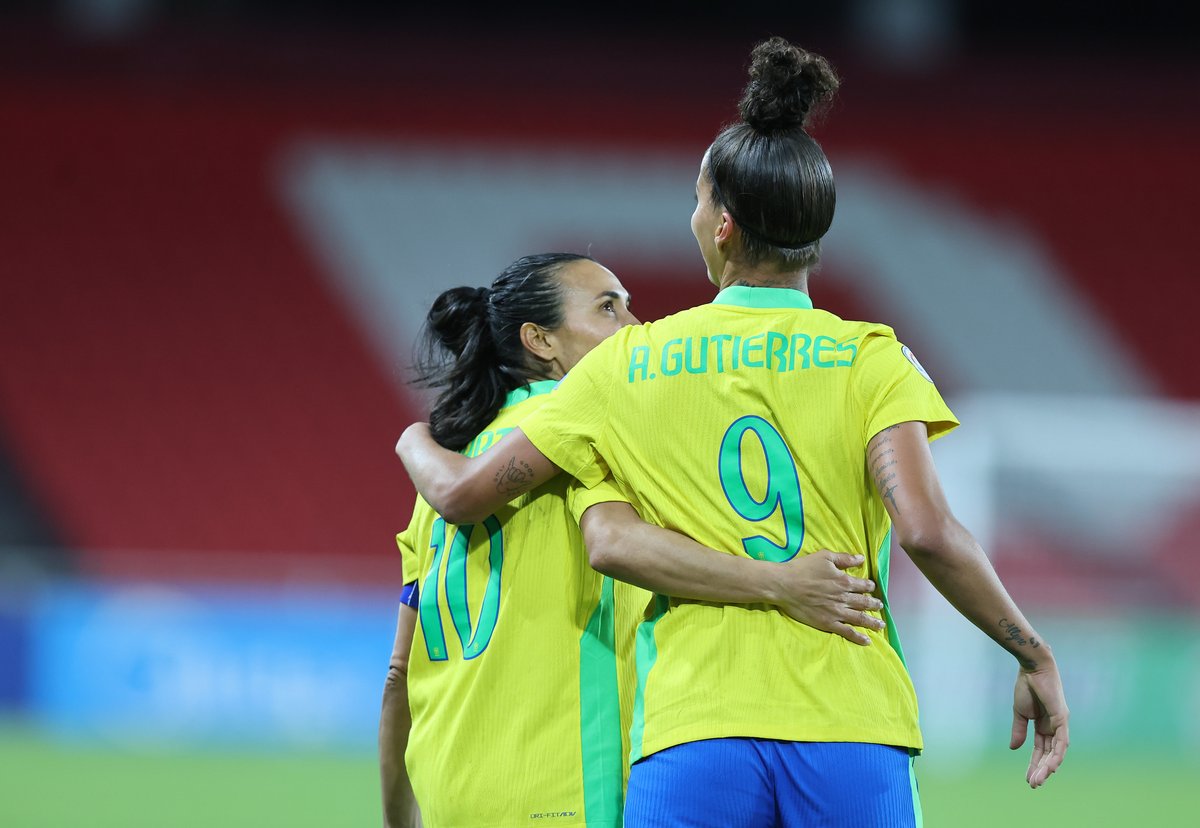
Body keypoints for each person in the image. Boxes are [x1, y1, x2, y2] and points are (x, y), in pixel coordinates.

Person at [394, 39, 1070, 826]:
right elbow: (927, 531)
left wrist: (411, 440)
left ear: (722, 226)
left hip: (692, 732)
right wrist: (1031, 652)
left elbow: (473, 495)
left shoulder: (629, 365)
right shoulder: (872, 359)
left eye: (695, 198)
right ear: (813, 230)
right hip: (850, 724)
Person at [380, 252, 888, 827]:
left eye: (627, 306)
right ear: (540, 340)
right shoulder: (587, 430)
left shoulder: (439, 475)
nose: (634, 326)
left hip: (450, 794)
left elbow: (399, 672)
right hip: (564, 792)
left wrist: (399, 817)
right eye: (607, 308)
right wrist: (780, 584)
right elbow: (616, 542)